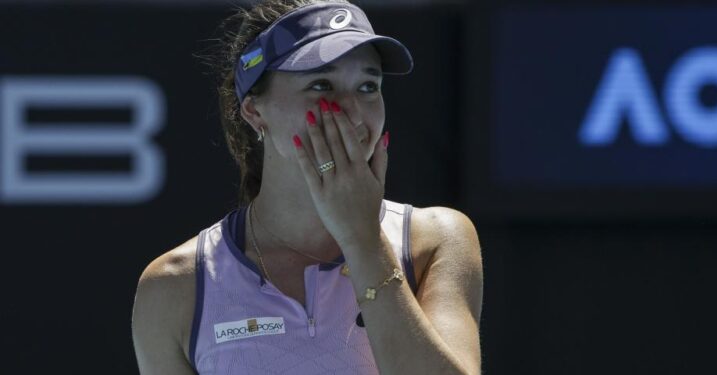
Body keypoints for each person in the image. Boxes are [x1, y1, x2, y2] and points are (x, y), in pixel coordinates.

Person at [132, 1, 483, 374]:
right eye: (320, 85)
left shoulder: (437, 238)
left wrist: (363, 239)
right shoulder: (173, 285)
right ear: (254, 110)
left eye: (368, 86)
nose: (351, 110)